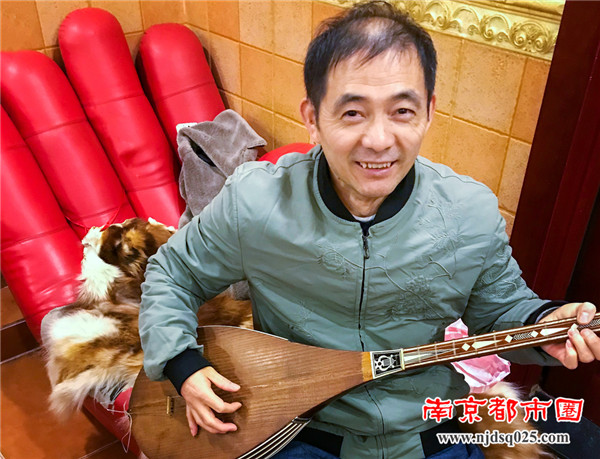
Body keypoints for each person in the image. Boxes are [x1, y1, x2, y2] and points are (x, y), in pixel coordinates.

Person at [139, 2, 600, 457]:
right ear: (312, 118)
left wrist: (545, 323)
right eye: (353, 113)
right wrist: (183, 364)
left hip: (428, 431)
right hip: (297, 429)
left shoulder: (469, 213)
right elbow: (173, 273)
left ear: (428, 112)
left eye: (402, 111)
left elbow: (503, 310)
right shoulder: (256, 202)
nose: (379, 141)